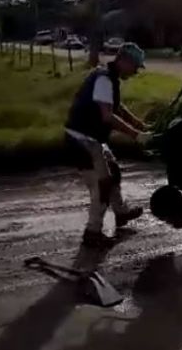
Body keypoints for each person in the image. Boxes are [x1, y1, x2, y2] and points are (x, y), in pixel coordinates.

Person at [64, 42, 153, 247]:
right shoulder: (104, 79)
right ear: (124, 61)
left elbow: (115, 106)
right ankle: (92, 233)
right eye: (136, 67)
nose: (137, 72)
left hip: (93, 138)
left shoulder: (109, 77)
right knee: (101, 186)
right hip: (82, 139)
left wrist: (138, 123)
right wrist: (136, 135)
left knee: (113, 170)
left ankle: (120, 212)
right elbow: (107, 116)